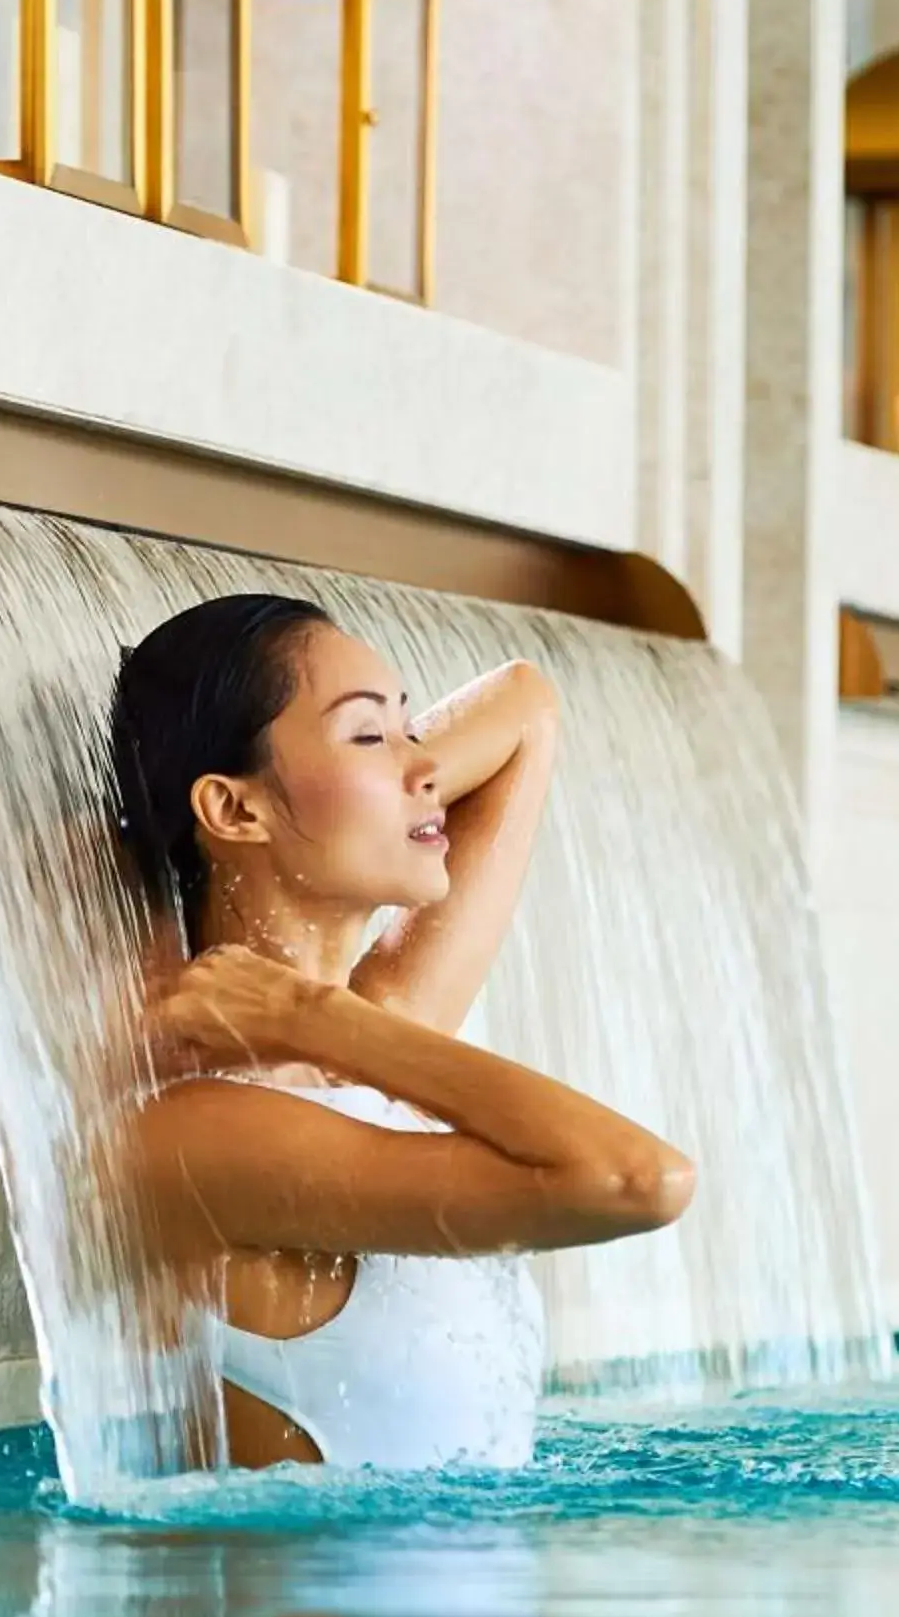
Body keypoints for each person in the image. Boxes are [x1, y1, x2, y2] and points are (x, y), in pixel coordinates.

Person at [108, 594, 695, 1471]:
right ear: (232, 811)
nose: (426, 768)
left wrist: (376, 787)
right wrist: (313, 1017)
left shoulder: (370, 1036)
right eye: (368, 737)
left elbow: (525, 707)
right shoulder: (199, 1133)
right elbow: (635, 1181)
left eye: (413, 727)